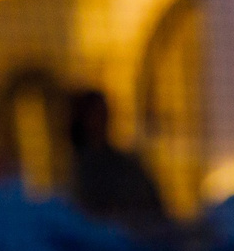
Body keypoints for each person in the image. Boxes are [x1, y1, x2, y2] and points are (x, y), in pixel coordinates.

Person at [66, 89, 166, 233]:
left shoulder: (125, 163)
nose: (102, 120)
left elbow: (151, 201)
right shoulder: (76, 167)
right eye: (96, 114)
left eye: (104, 113)